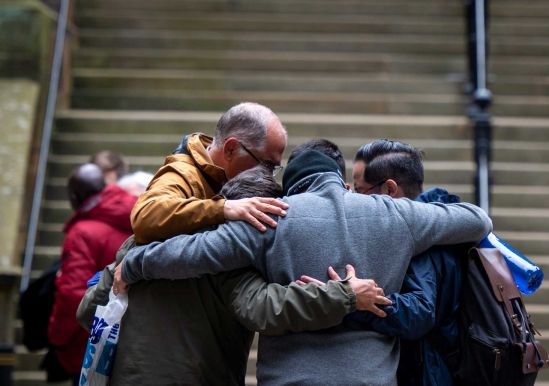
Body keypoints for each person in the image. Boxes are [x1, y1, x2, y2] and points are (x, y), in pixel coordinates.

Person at [119, 143, 493, 385]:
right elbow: (477, 220)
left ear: (293, 184)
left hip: (289, 378)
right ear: (338, 177)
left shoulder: (272, 217)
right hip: (372, 378)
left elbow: (193, 253)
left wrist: (134, 264)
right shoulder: (398, 215)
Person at [105, 104, 387, 385]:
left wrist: (129, 266)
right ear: (230, 149)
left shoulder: (151, 238)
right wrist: (344, 295)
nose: (270, 174)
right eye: (266, 164)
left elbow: (91, 303)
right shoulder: (188, 181)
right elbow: (262, 306)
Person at [350, 139, 466, 386]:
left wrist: (356, 302)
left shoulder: (419, 239)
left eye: (359, 191)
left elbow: (420, 312)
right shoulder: (440, 224)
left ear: (390, 190)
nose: (351, 199)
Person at [47, 163, 136, 384]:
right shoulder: (136, 213)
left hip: (89, 341)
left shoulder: (82, 232)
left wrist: (56, 337)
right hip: (130, 334)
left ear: (76, 197)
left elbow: (71, 292)